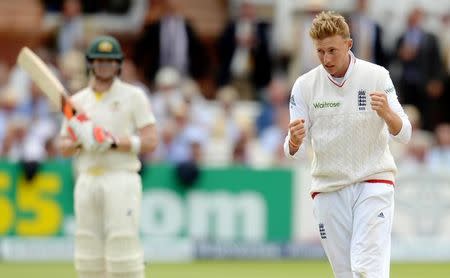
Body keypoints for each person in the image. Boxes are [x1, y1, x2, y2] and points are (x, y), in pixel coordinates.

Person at [284, 11, 411, 277]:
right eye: (320, 52)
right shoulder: (304, 86)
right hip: (329, 188)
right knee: (346, 273)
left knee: (367, 269)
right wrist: (294, 141)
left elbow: (404, 132)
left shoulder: (376, 76)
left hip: (373, 182)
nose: (327, 59)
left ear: (348, 44)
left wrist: (387, 113)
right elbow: (292, 149)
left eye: (332, 50)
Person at [57, 35, 158, 278]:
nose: (104, 65)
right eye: (99, 60)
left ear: (118, 64)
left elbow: (151, 140)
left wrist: (112, 142)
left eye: (110, 61)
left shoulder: (134, 96)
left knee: (122, 245)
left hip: (120, 177)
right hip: (87, 178)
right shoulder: (77, 101)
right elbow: (63, 146)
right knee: (87, 249)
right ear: (90, 63)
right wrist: (83, 142)